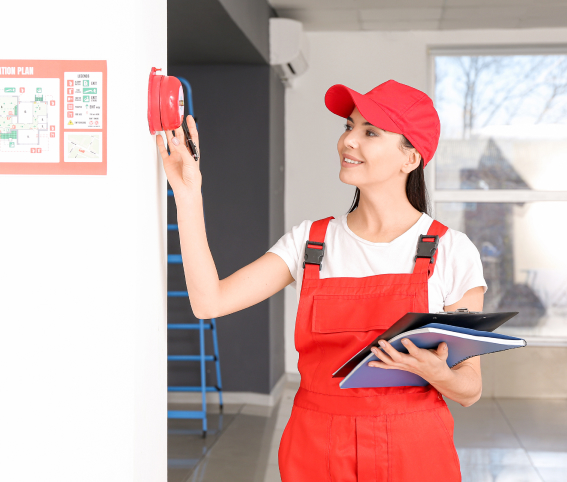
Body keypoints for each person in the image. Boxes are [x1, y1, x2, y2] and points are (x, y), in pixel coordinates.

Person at [157, 79, 487, 482]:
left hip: (414, 448)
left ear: (410, 158)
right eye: (348, 126)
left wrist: (440, 375)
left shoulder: (452, 251)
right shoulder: (311, 242)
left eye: (370, 132)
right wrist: (188, 194)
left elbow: (470, 389)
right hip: (316, 447)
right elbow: (209, 302)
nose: (349, 140)